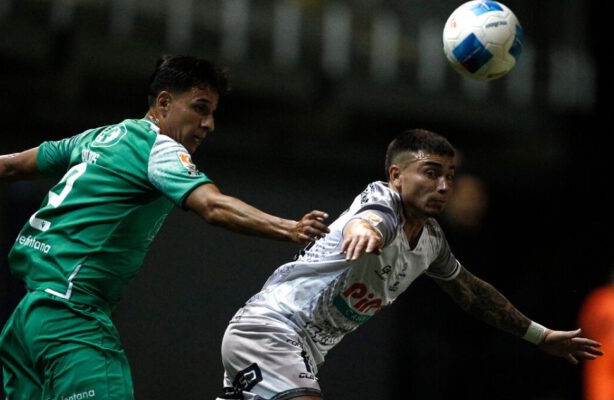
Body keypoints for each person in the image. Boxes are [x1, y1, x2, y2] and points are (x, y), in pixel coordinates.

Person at [0, 55, 329, 400]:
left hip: (25, 325)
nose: (209, 124)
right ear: (163, 103)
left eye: (213, 112)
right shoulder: (158, 149)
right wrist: (288, 228)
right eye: (200, 108)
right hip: (71, 322)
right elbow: (212, 206)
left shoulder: (98, 137)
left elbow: (11, 165)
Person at [218, 129, 603, 400]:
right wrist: (363, 230)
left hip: (300, 351)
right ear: (397, 175)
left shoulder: (432, 241)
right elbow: (369, 218)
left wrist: (540, 336)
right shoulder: (381, 199)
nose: (443, 187)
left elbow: (472, 293)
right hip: (271, 330)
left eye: (449, 177)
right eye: (431, 173)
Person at [578, 272, 614, 400]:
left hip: (600, 360)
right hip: (601, 362)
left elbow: (585, 330)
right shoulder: (600, 299)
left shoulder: (598, 299)